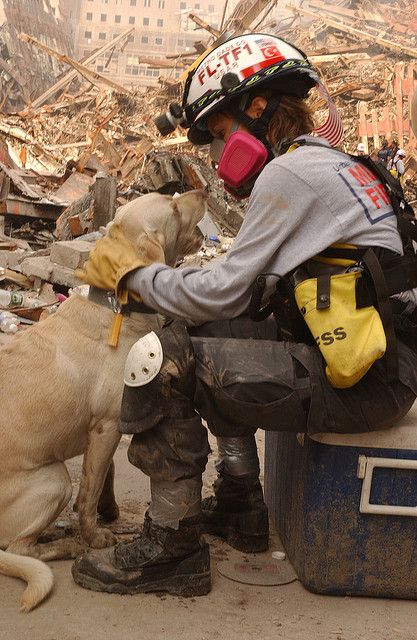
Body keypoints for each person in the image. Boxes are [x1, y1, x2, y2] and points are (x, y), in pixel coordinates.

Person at [71, 34, 417, 598]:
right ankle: (239, 505)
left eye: (217, 133)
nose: (214, 154)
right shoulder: (338, 163)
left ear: (256, 108)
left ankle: (171, 546)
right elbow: (254, 292)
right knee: (210, 330)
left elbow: (226, 291)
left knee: (162, 359)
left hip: (365, 384)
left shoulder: (291, 174)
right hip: (379, 364)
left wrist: (133, 278)